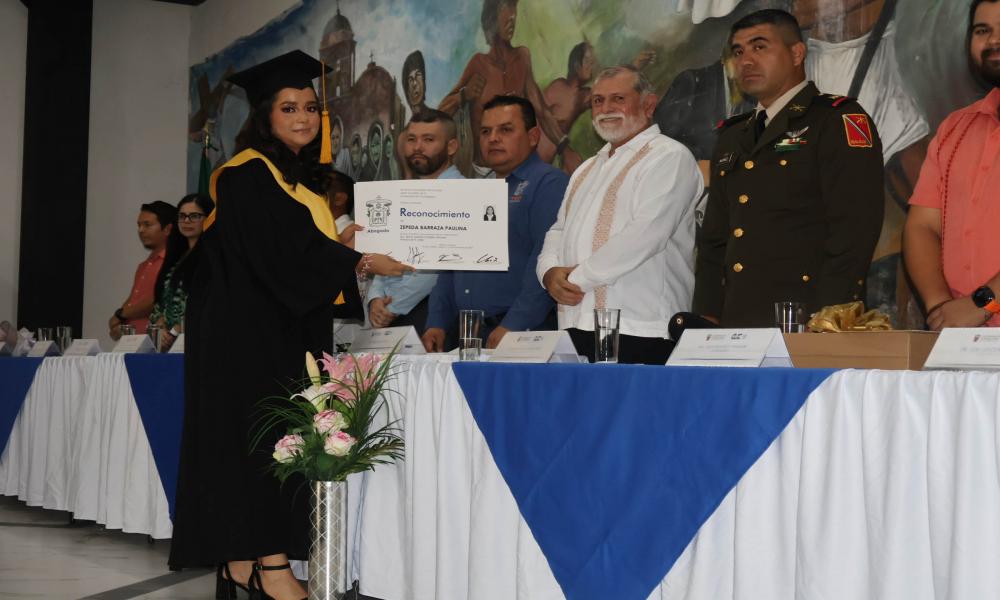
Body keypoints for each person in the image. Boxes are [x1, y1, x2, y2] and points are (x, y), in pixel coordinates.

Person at [168, 50, 412, 600]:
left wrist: (344, 249)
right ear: (265, 117)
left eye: (310, 107)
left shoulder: (289, 178)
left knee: (274, 442)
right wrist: (359, 260)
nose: (303, 117)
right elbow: (281, 252)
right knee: (257, 444)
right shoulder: (246, 173)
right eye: (289, 107)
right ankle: (267, 565)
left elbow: (297, 251)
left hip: (275, 331)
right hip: (245, 341)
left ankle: (243, 567)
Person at [692, 9, 885, 326]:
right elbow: (715, 239)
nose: (746, 61)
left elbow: (854, 229)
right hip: (737, 321)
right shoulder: (732, 135)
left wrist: (830, 314)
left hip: (807, 318)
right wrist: (709, 314)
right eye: (738, 52)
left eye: (760, 47)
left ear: (797, 53)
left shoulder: (836, 119)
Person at [538, 65, 703, 364]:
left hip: (642, 328)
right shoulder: (586, 168)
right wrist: (548, 274)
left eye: (618, 99)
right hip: (576, 324)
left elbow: (646, 235)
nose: (606, 109)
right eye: (598, 101)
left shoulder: (669, 156)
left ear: (649, 105)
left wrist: (575, 279)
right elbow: (558, 231)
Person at [422, 95, 568, 351]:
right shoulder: (475, 190)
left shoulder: (549, 183)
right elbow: (451, 261)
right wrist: (437, 322)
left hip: (521, 333)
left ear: (533, 137)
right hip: (466, 333)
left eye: (506, 130)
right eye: (486, 131)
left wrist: (515, 324)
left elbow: (545, 258)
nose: (493, 138)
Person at [903, 0, 1000, 330]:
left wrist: (982, 304)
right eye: (982, 30)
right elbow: (922, 226)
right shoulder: (956, 128)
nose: (993, 41)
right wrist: (942, 308)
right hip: (962, 345)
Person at [438, 0, 569, 175]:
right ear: (492, 19)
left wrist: (564, 147)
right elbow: (440, 115)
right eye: (505, 14)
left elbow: (542, 111)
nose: (512, 19)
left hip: (520, 168)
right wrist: (464, 95)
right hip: (484, 173)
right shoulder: (479, 64)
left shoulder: (522, 58)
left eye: (514, 15)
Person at [368, 110, 463, 333]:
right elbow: (384, 253)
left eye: (428, 140)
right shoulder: (401, 193)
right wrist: (374, 299)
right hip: (389, 311)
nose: (417, 147)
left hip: (431, 313)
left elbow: (435, 269)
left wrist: (393, 306)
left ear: (451, 147)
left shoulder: (462, 193)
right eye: (412, 139)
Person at [149, 193, 214, 351]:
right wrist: (161, 329)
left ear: (209, 218)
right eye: (182, 216)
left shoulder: (213, 258)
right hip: (170, 344)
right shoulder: (177, 257)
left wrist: (173, 332)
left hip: (199, 341)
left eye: (194, 216)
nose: (186, 221)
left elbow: (206, 304)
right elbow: (161, 302)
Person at [108, 201, 175, 340]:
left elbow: (159, 301)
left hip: (156, 345)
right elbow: (133, 301)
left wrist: (121, 314)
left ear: (168, 229)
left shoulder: (174, 263)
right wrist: (118, 324)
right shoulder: (144, 266)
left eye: (147, 225)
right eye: (139, 225)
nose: (141, 230)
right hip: (133, 344)